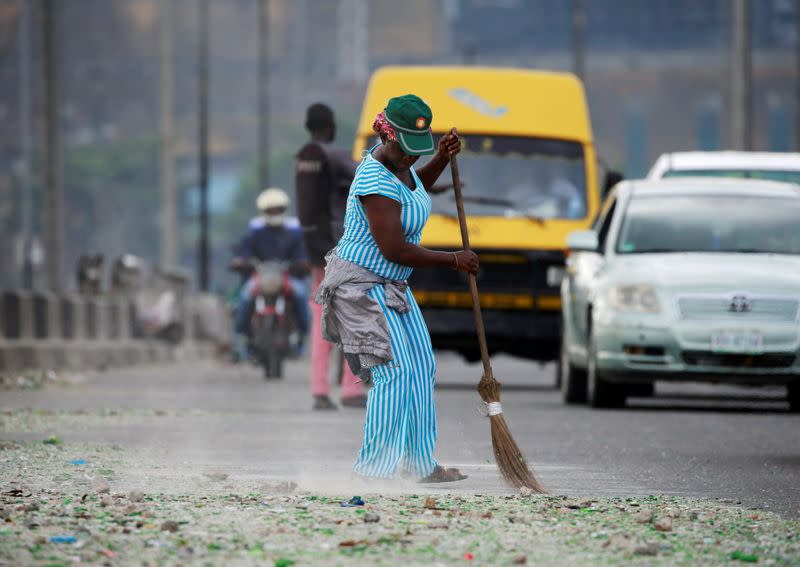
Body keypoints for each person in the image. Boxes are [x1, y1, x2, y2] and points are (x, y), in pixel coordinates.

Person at [316, 94, 479, 482]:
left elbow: (412, 190)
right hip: (360, 285)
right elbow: (395, 248)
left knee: (422, 366)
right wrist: (454, 259)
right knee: (394, 372)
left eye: (417, 152)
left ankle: (419, 465)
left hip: (392, 285)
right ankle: (373, 470)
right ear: (387, 135)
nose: (411, 158)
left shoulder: (403, 168)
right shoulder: (372, 178)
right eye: (407, 151)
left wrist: (439, 157)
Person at [296, 103, 367, 410]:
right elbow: (369, 176)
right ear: (330, 126)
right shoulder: (335, 156)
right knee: (352, 315)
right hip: (341, 250)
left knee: (319, 318)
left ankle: (319, 389)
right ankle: (351, 390)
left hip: (314, 250)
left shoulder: (302, 158)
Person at [230, 187, 310, 362]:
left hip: (286, 277)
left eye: (277, 209)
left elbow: (301, 254)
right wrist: (240, 260)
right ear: (263, 211)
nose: (274, 213)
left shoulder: (294, 233)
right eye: (270, 210)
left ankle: (302, 339)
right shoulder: (255, 232)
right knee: (244, 299)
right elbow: (244, 252)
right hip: (261, 278)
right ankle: (241, 341)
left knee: (301, 295)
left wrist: (303, 262)